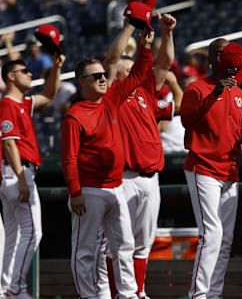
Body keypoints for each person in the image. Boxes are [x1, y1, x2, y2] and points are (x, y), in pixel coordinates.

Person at [61, 16, 155, 299]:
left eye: (104, 75)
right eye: (96, 76)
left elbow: (138, 75)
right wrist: (75, 192)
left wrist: (145, 49)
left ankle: (127, 294)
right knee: (86, 250)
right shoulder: (74, 115)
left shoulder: (111, 99)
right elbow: (69, 158)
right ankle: (89, 296)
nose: (103, 78)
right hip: (88, 190)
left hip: (116, 187)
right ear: (81, 82)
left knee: (124, 245)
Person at [95, 13, 177, 298]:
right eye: (130, 69)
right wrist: (128, 28)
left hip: (151, 178)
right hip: (125, 177)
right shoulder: (111, 96)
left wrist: (166, 34)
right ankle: (116, 293)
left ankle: (137, 292)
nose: (138, 73)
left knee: (143, 243)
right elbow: (111, 60)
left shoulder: (146, 92)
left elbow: (164, 63)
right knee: (116, 242)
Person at [181, 39, 242, 299]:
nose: (222, 56)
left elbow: (241, 133)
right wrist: (214, 94)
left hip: (229, 170)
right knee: (212, 233)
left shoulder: (240, 94)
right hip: (203, 166)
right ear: (210, 59)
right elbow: (187, 119)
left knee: (225, 238)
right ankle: (198, 294)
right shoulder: (197, 88)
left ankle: (214, 293)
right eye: (217, 53)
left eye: (225, 51)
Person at [0, 50, 64, 297]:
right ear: (11, 76)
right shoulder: (7, 104)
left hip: (14, 173)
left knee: (14, 236)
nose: (30, 74)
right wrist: (20, 177)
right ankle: (17, 289)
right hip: (18, 171)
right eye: (25, 71)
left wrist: (57, 68)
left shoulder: (23, 102)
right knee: (33, 232)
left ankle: (6, 288)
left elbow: (49, 94)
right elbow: (8, 143)